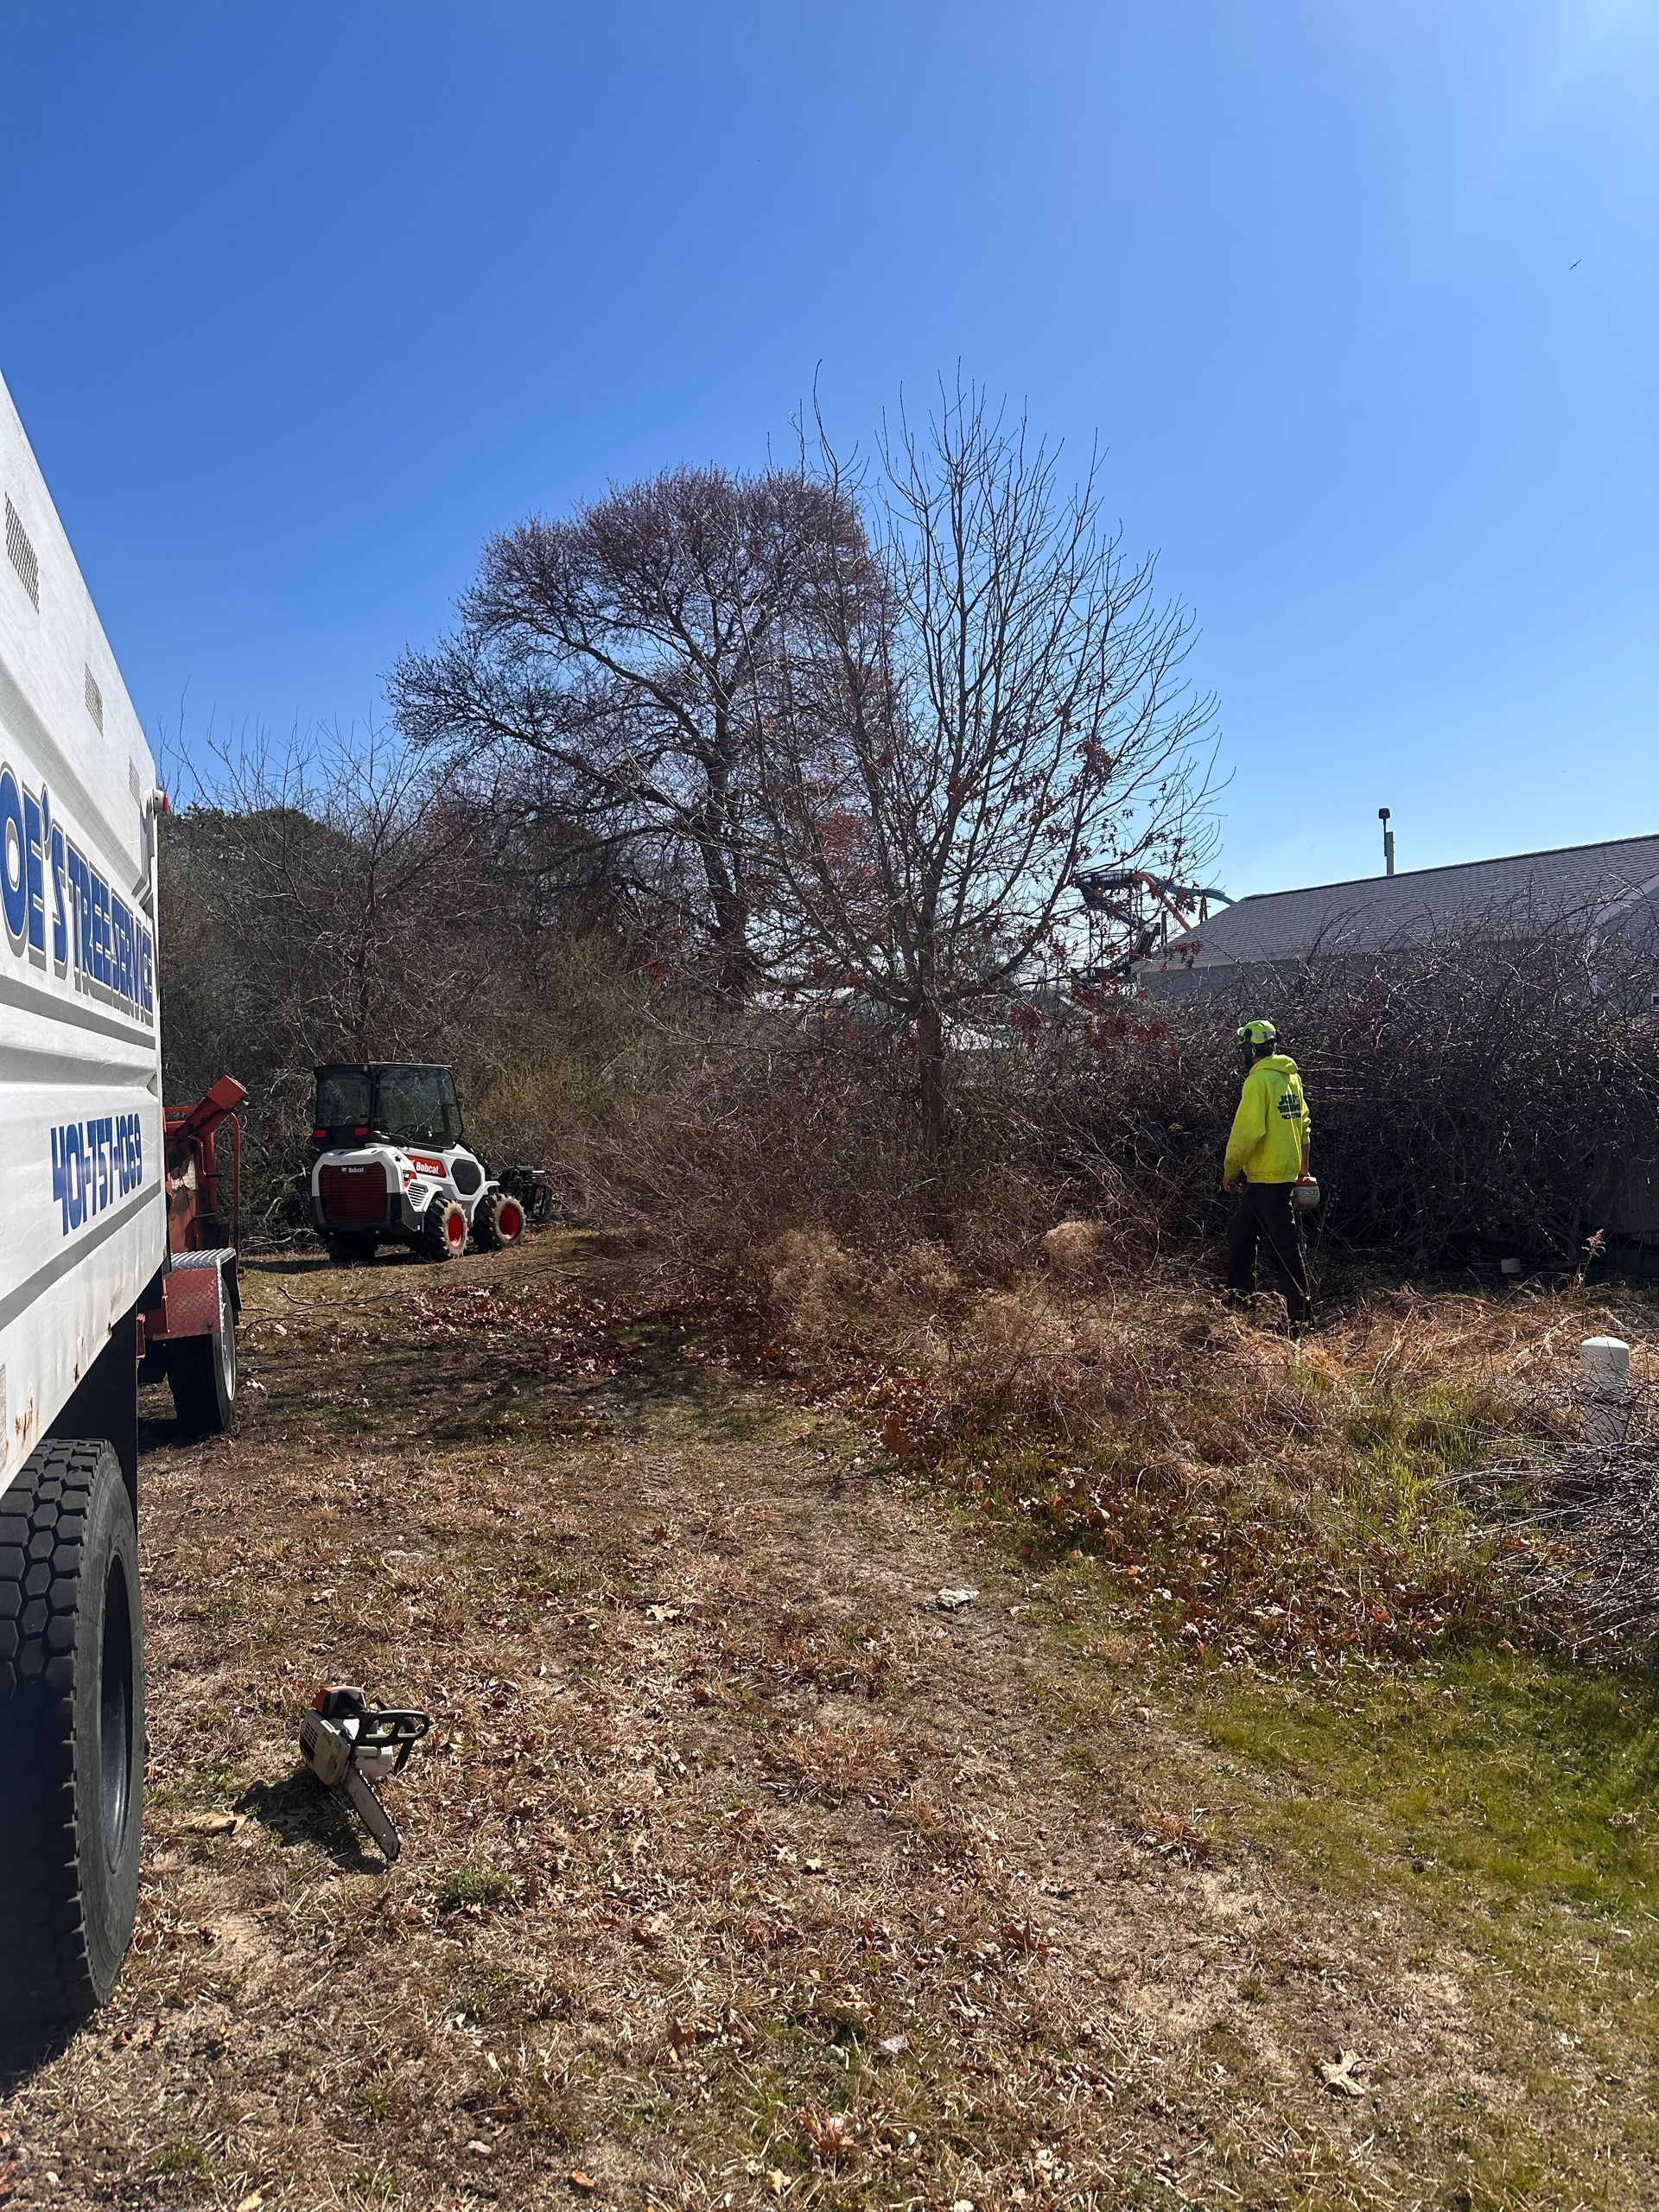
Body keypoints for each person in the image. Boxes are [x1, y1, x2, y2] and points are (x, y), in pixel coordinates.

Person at [1222, 1017, 1314, 1329]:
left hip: (1266, 1179)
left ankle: (1301, 1321)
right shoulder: (1291, 1077)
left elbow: (1247, 1133)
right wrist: (1303, 1170)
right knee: (1241, 1236)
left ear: (1250, 1049)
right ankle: (1238, 1303)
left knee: (1283, 1250)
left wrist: (1230, 1170)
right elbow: (1303, 1125)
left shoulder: (1258, 1081)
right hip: (1279, 1177)